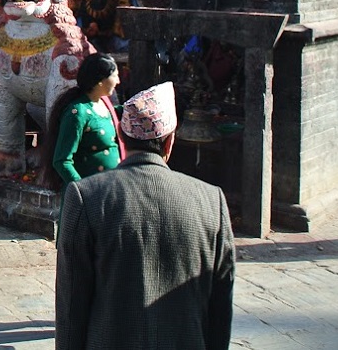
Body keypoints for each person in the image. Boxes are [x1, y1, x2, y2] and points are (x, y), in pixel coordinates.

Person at [55, 81, 234, 350]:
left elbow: (71, 305)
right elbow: (221, 307)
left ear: (120, 135)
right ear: (170, 141)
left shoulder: (86, 197)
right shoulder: (212, 201)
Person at [46, 53, 123, 191]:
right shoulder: (78, 113)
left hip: (109, 189)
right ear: (100, 81)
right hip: (90, 193)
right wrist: (82, 190)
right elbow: (62, 161)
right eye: (115, 76)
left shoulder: (104, 105)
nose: (118, 81)